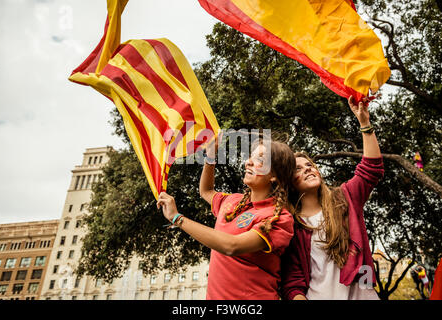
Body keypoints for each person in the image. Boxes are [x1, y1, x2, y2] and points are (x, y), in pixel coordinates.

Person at [157, 137, 296, 299]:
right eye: (250, 157)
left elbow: (232, 246)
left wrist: (177, 218)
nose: (248, 162)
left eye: (259, 159)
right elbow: (206, 191)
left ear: (274, 175)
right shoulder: (232, 201)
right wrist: (210, 157)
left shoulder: (279, 217)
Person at [280, 96, 384, 300]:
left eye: (309, 165)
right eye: (298, 169)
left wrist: (364, 123)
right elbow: (292, 283)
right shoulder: (290, 224)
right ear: (289, 182)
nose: (307, 168)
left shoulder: (345, 198)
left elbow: (372, 169)